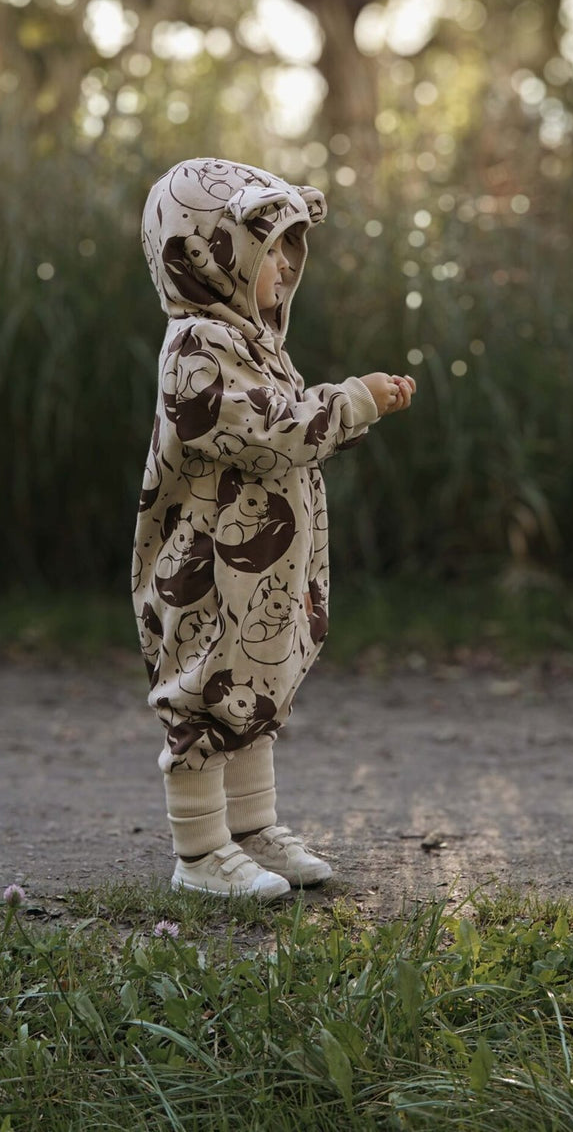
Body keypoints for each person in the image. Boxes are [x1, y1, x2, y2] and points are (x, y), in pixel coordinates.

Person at [133, 157, 415, 901]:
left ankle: (252, 830)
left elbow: (291, 435)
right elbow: (265, 430)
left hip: (261, 573)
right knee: (205, 690)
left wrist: (345, 412)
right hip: (207, 570)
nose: (287, 264)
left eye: (293, 246)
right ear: (202, 254)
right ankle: (198, 852)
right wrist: (353, 402)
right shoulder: (194, 349)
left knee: (254, 691)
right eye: (268, 246)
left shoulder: (252, 343)